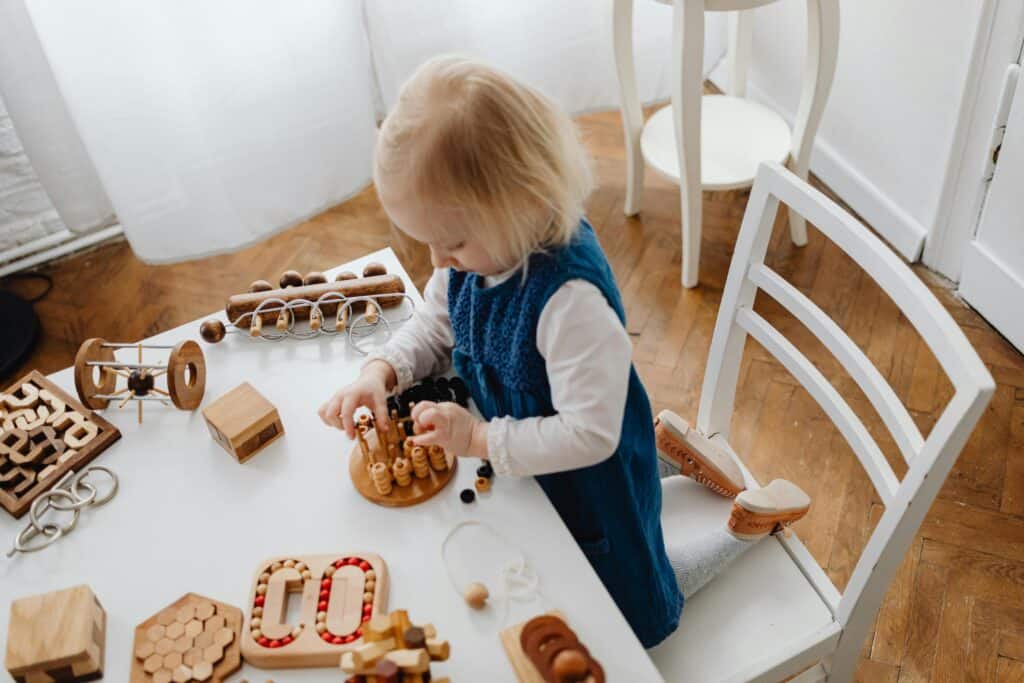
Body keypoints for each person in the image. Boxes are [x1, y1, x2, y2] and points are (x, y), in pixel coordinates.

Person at [319, 55, 810, 647]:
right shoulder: (480, 253)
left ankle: (744, 527)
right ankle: (675, 453)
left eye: (449, 242)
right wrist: (382, 371)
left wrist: (478, 441)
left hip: (590, 472)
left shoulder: (570, 303)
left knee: (637, 601)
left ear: (516, 206)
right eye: (428, 243)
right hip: (536, 455)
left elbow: (590, 436)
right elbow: (433, 324)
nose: (438, 261)